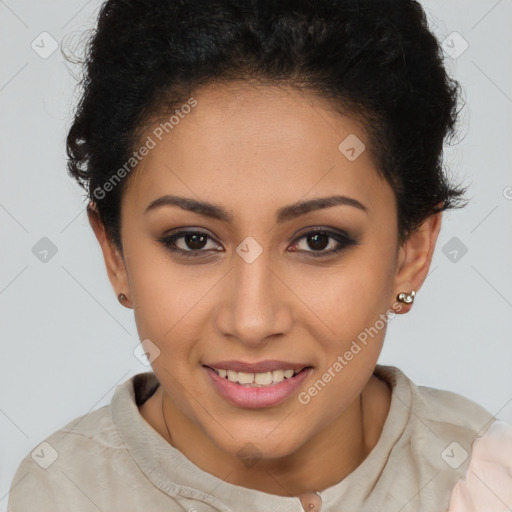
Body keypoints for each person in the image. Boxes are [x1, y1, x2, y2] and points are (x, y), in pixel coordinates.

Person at [7, 0, 512, 511]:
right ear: (115, 253)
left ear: (412, 251)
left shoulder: (489, 480)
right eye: (193, 240)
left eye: (318, 240)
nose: (252, 321)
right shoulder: (60, 494)